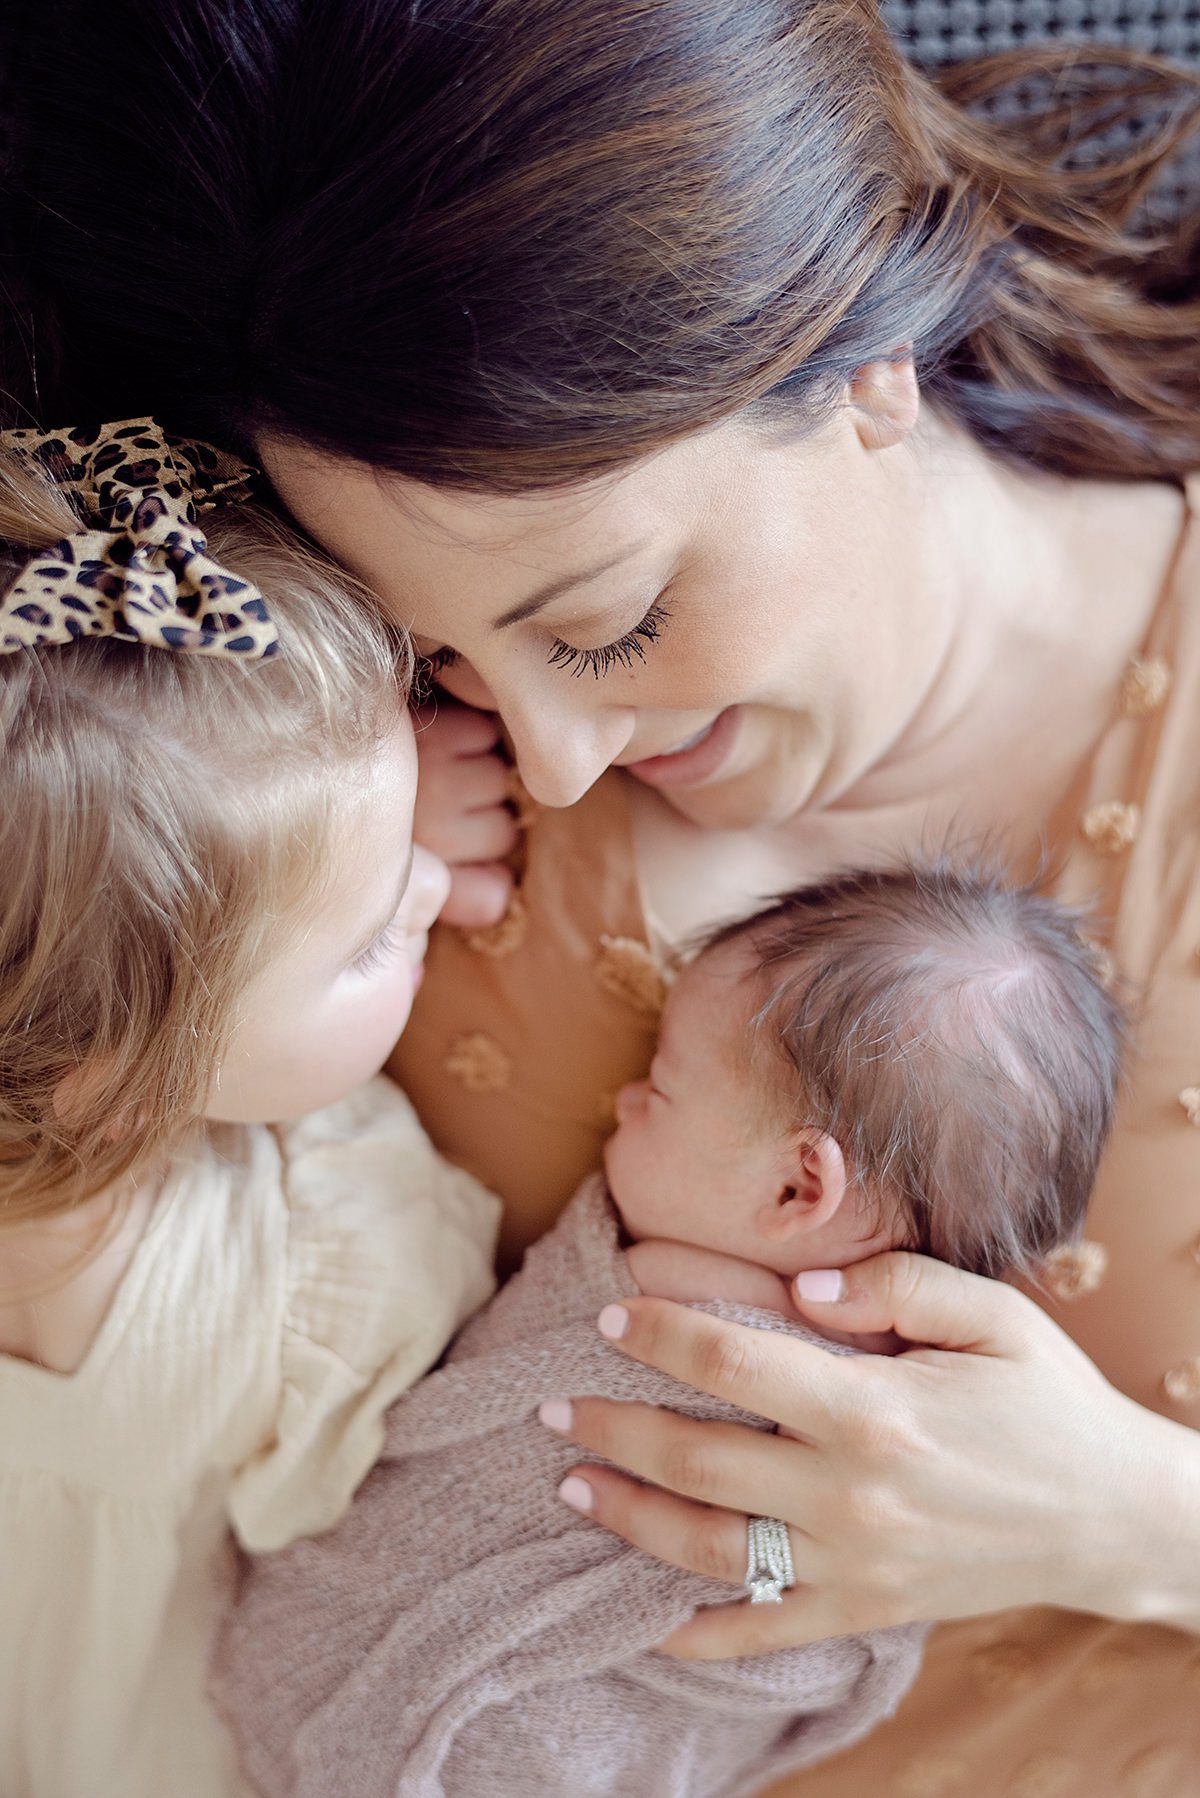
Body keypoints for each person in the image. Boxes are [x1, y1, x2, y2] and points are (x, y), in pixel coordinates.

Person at [3, 2, 1200, 1790]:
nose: (552, 757)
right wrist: (289, 854)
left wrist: (1135, 1520)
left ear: (864, 347)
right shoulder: (337, 794)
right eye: (452, 652)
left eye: (608, 623)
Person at [216, 862, 1124, 1798]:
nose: (624, 1100)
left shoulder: (654, 1298)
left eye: (660, 1084)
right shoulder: (941, 1407)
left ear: (796, 1190)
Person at [0, 419, 499, 1798]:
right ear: (112, 1067)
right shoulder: (321, 1261)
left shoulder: (63, 1040)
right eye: (362, 947)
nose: (431, 894)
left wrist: (343, 861)